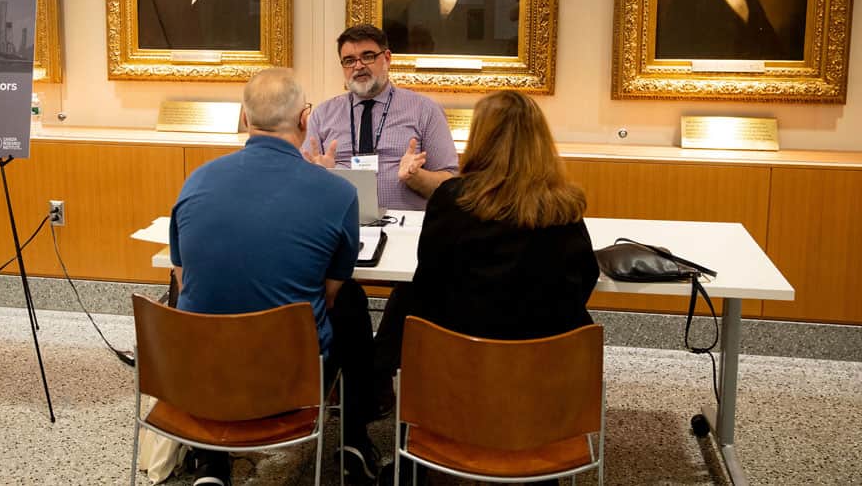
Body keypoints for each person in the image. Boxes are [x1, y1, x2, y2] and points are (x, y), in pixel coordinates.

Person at [374, 91, 599, 485]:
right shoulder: (565, 207)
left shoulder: (452, 200)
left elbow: (429, 281)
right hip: (540, 379)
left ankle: (390, 423)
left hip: (457, 373)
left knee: (406, 301)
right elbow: (583, 283)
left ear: (479, 138)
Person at [169, 68, 380, 484]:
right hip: (288, 378)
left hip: (199, 374)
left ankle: (211, 462)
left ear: (245, 120)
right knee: (353, 300)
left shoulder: (196, 180)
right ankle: (354, 439)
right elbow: (331, 294)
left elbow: (181, 276)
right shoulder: (338, 193)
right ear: (305, 119)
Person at [303, 24, 458, 211]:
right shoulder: (322, 115)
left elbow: (451, 185)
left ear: (387, 58)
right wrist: (320, 176)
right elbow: (300, 187)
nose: (358, 66)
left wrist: (417, 177)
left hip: (403, 228)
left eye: (367, 56)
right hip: (340, 228)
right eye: (349, 60)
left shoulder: (425, 110)